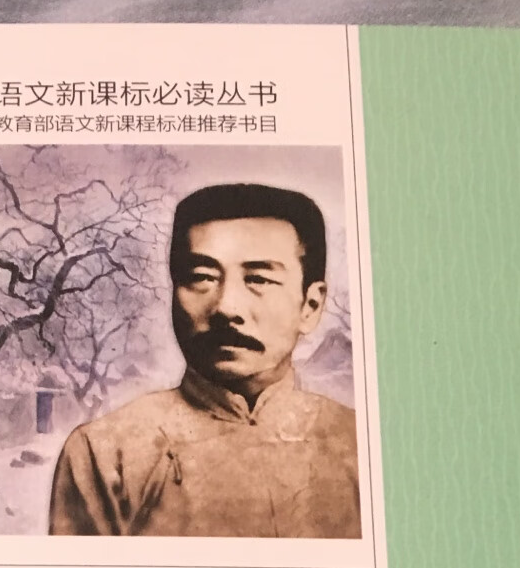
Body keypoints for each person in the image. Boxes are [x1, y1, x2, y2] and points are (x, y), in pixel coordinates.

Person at [48, 182, 360, 538]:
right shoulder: (105, 453)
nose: (226, 307)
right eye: (202, 278)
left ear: (311, 306)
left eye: (258, 279)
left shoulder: (358, 446)